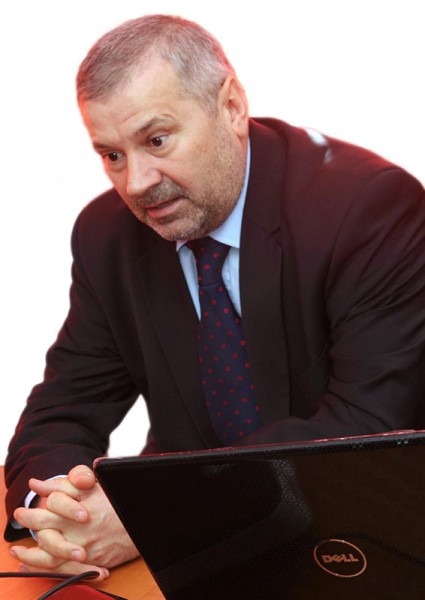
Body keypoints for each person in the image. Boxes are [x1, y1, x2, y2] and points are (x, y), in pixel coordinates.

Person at [4, 13, 425, 581]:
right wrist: (60, 513)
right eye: (112, 155)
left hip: (352, 543)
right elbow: (63, 408)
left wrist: (153, 515)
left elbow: (366, 425)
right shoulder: (107, 235)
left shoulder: (367, 208)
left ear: (231, 107)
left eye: (156, 140)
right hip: (194, 563)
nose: (136, 182)